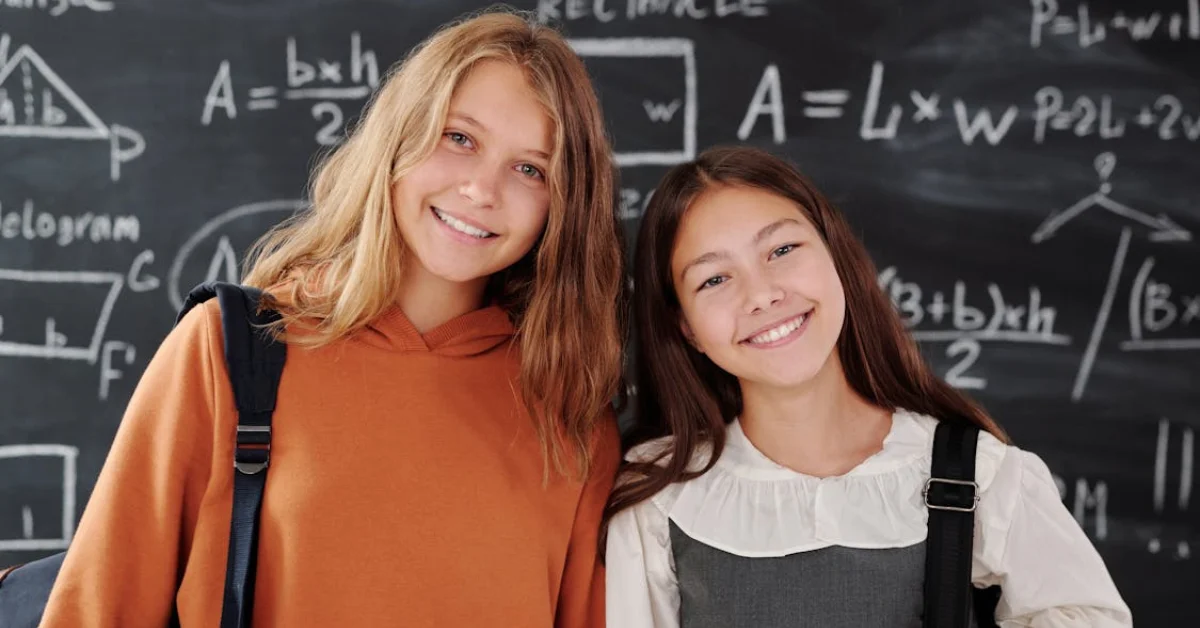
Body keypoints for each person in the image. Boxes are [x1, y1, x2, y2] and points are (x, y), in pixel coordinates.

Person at [39, 9, 626, 627]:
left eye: (530, 168)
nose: (483, 188)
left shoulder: (571, 414)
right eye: (460, 138)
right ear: (399, 137)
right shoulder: (230, 352)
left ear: (561, 208)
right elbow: (96, 612)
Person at [603, 145, 1131, 627]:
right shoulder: (661, 498)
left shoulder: (973, 475)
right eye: (714, 279)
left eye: (782, 250)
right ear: (687, 328)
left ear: (835, 253)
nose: (761, 295)